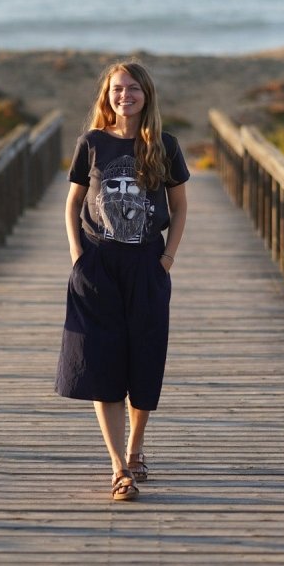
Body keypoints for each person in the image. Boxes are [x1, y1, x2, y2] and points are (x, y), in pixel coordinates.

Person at [55, 60, 189, 501]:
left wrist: (167, 257)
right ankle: (119, 469)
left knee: (145, 361)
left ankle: (136, 449)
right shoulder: (92, 143)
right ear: (106, 96)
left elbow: (181, 207)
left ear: (146, 94)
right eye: (117, 89)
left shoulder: (165, 146)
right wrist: (79, 257)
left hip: (147, 267)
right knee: (102, 364)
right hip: (98, 267)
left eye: (132, 88)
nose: (124, 96)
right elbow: (73, 203)